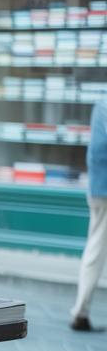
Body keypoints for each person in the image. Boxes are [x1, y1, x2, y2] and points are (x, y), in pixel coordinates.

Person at [70, 96, 107, 330]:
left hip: (99, 187)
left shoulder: (102, 104)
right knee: (96, 247)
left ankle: (80, 311)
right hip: (105, 189)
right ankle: (80, 311)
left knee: (96, 246)